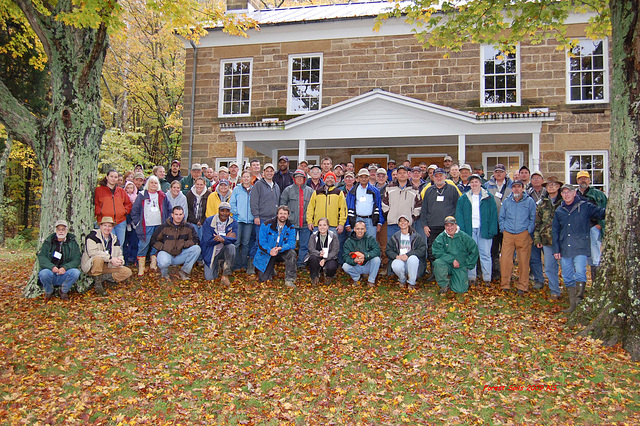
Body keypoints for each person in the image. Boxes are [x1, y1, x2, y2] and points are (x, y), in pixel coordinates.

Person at [553, 183, 606, 313]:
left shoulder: (585, 206)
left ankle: (579, 301)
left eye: (569, 192)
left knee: (581, 273)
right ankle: (572, 304)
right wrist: (556, 249)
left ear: (574, 193)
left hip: (581, 246)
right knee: (567, 275)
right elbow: (555, 231)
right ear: (561, 194)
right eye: (564, 193)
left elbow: (601, 213)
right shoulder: (559, 211)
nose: (566, 195)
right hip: (565, 247)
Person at [455, 174, 498, 285]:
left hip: (484, 229)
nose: (474, 184)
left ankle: (487, 278)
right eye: (472, 182)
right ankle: (471, 277)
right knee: (471, 254)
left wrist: (492, 230)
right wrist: (462, 231)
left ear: (480, 183)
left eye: (476, 182)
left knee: (485, 255)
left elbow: (493, 214)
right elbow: (459, 215)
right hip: (470, 230)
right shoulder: (464, 198)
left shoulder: (488, 197)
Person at [498, 179, 536, 294]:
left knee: (523, 261)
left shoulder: (529, 201)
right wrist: (503, 229)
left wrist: (528, 230)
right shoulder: (507, 201)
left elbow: (533, 217)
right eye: (514, 187)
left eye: (519, 187)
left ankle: (522, 286)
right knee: (505, 260)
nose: (516, 189)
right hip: (508, 233)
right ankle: (505, 284)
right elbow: (502, 217)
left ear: (523, 188)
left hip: (523, 233)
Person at [420, 168, 460, 277]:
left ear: (445, 177)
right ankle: (435, 273)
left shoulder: (452, 189)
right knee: (433, 251)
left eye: (440, 176)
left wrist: (455, 224)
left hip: (448, 227)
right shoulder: (429, 190)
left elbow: (458, 207)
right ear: (433, 177)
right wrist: (424, 225)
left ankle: (449, 273)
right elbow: (424, 210)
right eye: (436, 176)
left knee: (449, 250)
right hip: (432, 226)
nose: (438, 178)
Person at [81, 216, 132, 296]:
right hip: (92, 266)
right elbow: (92, 253)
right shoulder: (92, 236)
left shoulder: (114, 238)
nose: (107, 228)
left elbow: (119, 253)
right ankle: (98, 286)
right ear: (100, 226)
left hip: (108, 265)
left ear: (112, 228)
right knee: (98, 259)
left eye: (110, 226)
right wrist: (111, 259)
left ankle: (103, 278)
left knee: (127, 272)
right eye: (105, 225)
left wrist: (120, 261)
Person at [131, 175, 171, 276]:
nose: (153, 185)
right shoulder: (141, 195)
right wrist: (137, 223)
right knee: (143, 244)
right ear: (148, 184)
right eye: (151, 183)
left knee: (156, 244)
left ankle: (153, 264)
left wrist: (167, 222)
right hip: (146, 225)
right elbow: (134, 211)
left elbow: (169, 209)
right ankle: (141, 267)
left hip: (159, 225)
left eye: (155, 183)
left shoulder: (162, 195)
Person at [151, 206, 201, 281]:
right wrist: (163, 247)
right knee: (163, 261)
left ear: (183, 215)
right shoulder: (164, 227)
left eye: (180, 214)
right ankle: (165, 274)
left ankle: (184, 271)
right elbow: (153, 240)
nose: (178, 217)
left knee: (197, 249)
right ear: (172, 215)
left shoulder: (188, 227)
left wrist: (183, 244)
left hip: (180, 254)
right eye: (176, 214)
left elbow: (195, 239)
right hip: (166, 253)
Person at [432, 216, 479, 295]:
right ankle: (444, 285)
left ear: (456, 225)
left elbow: (474, 249)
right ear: (445, 227)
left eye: (452, 225)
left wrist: (468, 264)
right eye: (447, 225)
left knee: (460, 290)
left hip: (460, 266)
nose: (449, 228)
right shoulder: (441, 237)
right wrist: (452, 260)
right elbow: (436, 251)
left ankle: (454, 281)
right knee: (438, 263)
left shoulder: (463, 236)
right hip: (447, 265)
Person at [533, 176, 563, 299]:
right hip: (547, 239)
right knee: (550, 267)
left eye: (554, 184)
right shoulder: (542, 203)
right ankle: (555, 290)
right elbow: (537, 222)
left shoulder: (564, 201)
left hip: (562, 240)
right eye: (548, 185)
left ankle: (573, 290)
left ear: (558, 186)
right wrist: (537, 239)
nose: (551, 186)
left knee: (567, 267)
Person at [37, 220, 81, 302]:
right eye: (59, 229)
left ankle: (63, 291)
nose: (61, 231)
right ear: (56, 230)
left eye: (63, 229)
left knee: (76, 273)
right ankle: (49, 291)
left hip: (65, 274)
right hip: (51, 273)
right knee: (43, 273)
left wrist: (65, 268)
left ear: (67, 231)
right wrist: (52, 267)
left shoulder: (72, 243)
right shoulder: (48, 242)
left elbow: (77, 259)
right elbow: (42, 257)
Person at [254, 206, 298, 287]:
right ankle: (270, 270)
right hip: (267, 252)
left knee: (292, 253)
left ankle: (289, 279)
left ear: (288, 215)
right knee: (264, 280)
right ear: (277, 214)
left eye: (285, 214)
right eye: (281, 213)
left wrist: (282, 248)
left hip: (281, 251)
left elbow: (292, 243)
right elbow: (261, 242)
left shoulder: (291, 227)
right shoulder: (266, 225)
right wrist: (270, 250)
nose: (283, 215)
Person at [249, 163, 281, 274]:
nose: (269, 173)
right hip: (261, 219)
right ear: (263, 173)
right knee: (259, 242)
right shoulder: (258, 185)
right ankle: (252, 265)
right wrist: (256, 216)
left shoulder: (276, 186)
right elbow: (253, 201)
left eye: (271, 171)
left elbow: (278, 202)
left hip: (273, 220)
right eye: (267, 171)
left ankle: (267, 266)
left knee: (271, 243)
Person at [575, 170, 608, 280]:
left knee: (595, 257)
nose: (583, 180)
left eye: (585, 178)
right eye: (580, 178)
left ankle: (596, 282)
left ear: (589, 180)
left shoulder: (598, 195)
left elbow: (607, 211)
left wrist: (600, 225)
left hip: (593, 229)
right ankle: (580, 285)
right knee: (579, 258)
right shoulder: (574, 195)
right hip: (578, 231)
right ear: (577, 181)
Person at [484, 163, 513, 281]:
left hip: (508, 223)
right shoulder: (487, 185)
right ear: (493, 174)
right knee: (493, 249)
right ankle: (495, 272)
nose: (499, 173)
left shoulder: (512, 185)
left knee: (508, 251)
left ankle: (507, 274)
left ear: (505, 173)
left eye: (501, 171)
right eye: (496, 172)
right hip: (493, 222)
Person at [281, 169, 314, 268]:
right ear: (294, 178)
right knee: (290, 245)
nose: (299, 179)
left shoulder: (310, 191)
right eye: (297, 177)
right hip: (291, 223)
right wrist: (285, 219)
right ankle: (290, 263)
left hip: (305, 223)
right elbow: (283, 205)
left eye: (301, 177)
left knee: (304, 246)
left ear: (305, 179)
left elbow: (313, 206)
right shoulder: (288, 190)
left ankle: (301, 264)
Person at [386, 215, 427, 290]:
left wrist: (408, 255)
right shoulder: (395, 237)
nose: (403, 223)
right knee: (395, 264)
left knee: (413, 258)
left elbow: (422, 250)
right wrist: (397, 256)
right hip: (400, 260)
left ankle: (412, 283)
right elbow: (388, 250)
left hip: (413, 264)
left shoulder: (416, 236)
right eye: (401, 221)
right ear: (398, 224)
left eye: (405, 221)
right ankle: (402, 279)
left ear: (408, 223)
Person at [201, 202, 237, 285]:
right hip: (211, 252)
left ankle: (226, 275)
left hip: (223, 251)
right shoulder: (209, 221)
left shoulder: (233, 222)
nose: (224, 213)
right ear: (218, 211)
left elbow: (233, 239)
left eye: (227, 211)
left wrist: (222, 239)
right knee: (209, 278)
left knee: (231, 247)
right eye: (222, 211)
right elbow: (207, 240)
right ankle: (217, 265)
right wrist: (224, 237)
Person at [95, 169, 132, 247]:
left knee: (119, 244)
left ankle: (119, 259)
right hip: (106, 221)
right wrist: (100, 212)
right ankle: (109, 259)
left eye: (115, 177)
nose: (113, 179)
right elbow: (96, 204)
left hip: (120, 221)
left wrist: (124, 211)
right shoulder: (99, 190)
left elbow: (128, 204)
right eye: (111, 176)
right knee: (109, 243)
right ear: (107, 177)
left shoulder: (121, 191)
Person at [345, 168, 384, 238]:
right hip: (357, 219)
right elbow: (347, 207)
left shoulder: (375, 191)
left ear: (369, 178)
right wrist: (347, 223)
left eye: (366, 177)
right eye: (361, 177)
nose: (364, 179)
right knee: (357, 242)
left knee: (371, 241)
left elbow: (379, 207)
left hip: (371, 220)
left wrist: (379, 222)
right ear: (358, 178)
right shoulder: (353, 191)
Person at [342, 220, 381, 287]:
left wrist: (365, 256)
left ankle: (371, 281)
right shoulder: (348, 241)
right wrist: (354, 260)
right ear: (354, 229)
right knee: (345, 266)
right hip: (356, 266)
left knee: (377, 259)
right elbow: (345, 256)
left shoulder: (370, 239)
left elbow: (377, 251)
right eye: (358, 229)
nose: (360, 231)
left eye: (362, 229)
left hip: (367, 264)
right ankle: (357, 278)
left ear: (365, 229)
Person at [230, 170, 254, 271]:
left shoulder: (254, 189)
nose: (246, 179)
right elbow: (232, 203)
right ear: (241, 178)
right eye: (244, 177)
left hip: (249, 221)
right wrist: (237, 212)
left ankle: (244, 265)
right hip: (238, 220)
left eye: (248, 177)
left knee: (245, 243)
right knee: (237, 243)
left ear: (251, 178)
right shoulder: (237, 189)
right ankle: (236, 265)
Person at [526, 170, 547, 289]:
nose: (536, 180)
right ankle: (539, 280)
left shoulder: (548, 193)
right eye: (533, 178)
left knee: (549, 257)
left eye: (538, 178)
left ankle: (552, 280)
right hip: (533, 228)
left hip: (547, 229)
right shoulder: (528, 194)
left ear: (542, 180)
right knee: (534, 257)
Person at [306, 218, 340, 285]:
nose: (322, 227)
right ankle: (315, 277)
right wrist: (319, 254)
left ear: (328, 226)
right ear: (317, 226)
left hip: (329, 258)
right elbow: (311, 248)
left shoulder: (333, 236)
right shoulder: (313, 236)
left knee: (332, 266)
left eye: (324, 225)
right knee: (312, 259)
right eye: (320, 225)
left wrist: (325, 259)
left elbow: (335, 250)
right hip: (317, 257)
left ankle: (328, 276)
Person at [186, 176, 210, 242]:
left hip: (204, 221)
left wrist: (201, 221)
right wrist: (196, 221)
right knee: (194, 237)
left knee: (203, 238)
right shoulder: (189, 194)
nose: (199, 186)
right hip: (192, 221)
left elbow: (208, 209)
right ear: (194, 184)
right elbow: (188, 209)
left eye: (201, 184)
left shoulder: (209, 194)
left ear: (205, 184)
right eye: (197, 184)